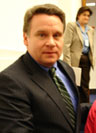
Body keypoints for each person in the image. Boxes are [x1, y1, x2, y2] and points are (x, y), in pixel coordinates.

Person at [0, 4, 81, 133]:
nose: (51, 43)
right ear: (26, 39)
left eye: (56, 35)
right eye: (42, 35)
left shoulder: (66, 69)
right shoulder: (10, 82)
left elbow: (66, 112)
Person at [63, 6, 94, 103]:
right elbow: (66, 45)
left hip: (86, 60)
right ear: (78, 15)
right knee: (75, 84)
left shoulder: (90, 30)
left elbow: (90, 47)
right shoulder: (72, 26)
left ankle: (85, 105)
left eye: (88, 16)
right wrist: (68, 63)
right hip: (75, 60)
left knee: (85, 85)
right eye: (84, 15)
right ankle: (74, 106)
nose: (86, 17)